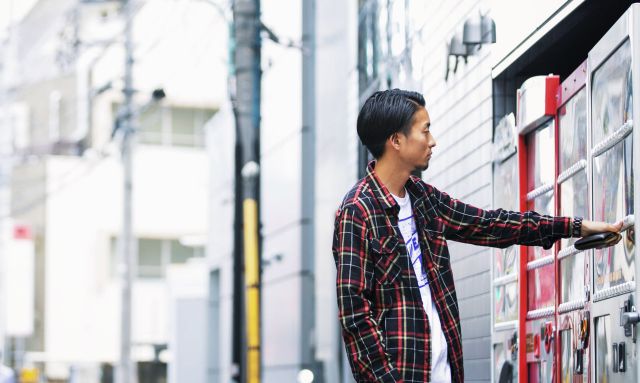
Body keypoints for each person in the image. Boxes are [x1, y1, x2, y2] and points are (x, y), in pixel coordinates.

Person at [332, 89, 622, 383]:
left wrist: (573, 226)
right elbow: (356, 316)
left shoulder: (424, 200)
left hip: (446, 373)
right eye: (425, 130)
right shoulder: (358, 210)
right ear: (396, 140)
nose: (433, 141)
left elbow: (490, 224)